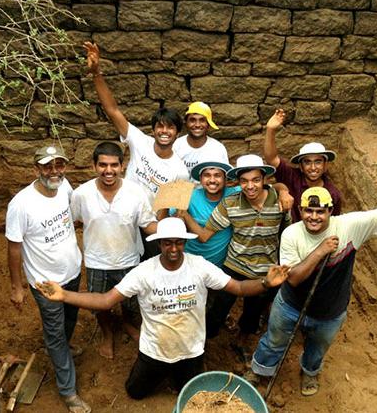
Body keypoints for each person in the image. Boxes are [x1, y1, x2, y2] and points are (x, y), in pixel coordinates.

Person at [36, 218, 290, 400]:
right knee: (134, 393)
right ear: (159, 244)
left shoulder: (199, 266)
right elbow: (105, 301)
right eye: (167, 243)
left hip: (191, 350)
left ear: (184, 243)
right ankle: (159, 373)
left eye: (178, 243)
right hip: (154, 350)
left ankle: (177, 377)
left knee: (187, 393)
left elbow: (239, 288)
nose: (173, 249)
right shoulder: (144, 272)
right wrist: (64, 295)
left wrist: (266, 283)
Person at [248, 155, 377, 396]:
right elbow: (293, 279)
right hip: (291, 304)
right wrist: (320, 250)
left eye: (319, 212)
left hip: (330, 310)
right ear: (300, 210)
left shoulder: (349, 225)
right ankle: (261, 369)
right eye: (307, 211)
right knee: (274, 340)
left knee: (317, 348)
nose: (313, 217)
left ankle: (310, 372)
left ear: (330, 211)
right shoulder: (292, 234)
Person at [181, 154, 292, 362]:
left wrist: (283, 190)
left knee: (252, 313)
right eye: (244, 181)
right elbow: (205, 235)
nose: (250, 186)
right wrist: (184, 214)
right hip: (233, 265)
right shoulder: (229, 202)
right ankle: (202, 344)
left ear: (265, 179)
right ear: (237, 182)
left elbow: (287, 233)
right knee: (217, 311)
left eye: (256, 180)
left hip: (265, 270)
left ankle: (240, 341)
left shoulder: (280, 202)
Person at [84, 41, 189, 259]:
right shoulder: (139, 141)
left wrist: (160, 232)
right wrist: (96, 73)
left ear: (177, 133)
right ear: (153, 129)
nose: (164, 131)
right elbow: (112, 110)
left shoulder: (180, 171)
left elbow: (173, 209)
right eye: (160, 126)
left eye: (170, 127)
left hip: (148, 225)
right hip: (121, 215)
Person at [5, 145, 90, 413]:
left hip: (73, 271)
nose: (54, 171)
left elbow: (74, 218)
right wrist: (16, 287)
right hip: (45, 283)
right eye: (47, 166)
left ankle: (61, 349)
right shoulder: (21, 204)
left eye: (59, 165)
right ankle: (68, 391)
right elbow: (14, 248)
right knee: (54, 333)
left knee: (70, 319)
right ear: (36, 169)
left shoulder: (64, 187)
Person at [70, 141, 157, 360]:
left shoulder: (137, 193)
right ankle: (107, 333)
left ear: (122, 166)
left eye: (114, 165)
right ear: (94, 166)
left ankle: (128, 324)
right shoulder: (81, 194)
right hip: (96, 260)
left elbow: (148, 225)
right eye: (103, 165)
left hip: (129, 259)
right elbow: (76, 222)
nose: (108, 171)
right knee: (100, 305)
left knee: (130, 300)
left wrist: (174, 226)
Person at [263, 108, 342, 222]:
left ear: (325, 165)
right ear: (300, 166)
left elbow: (333, 224)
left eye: (318, 162)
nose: (313, 167)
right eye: (307, 162)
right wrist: (270, 129)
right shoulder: (291, 177)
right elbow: (272, 158)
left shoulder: (333, 194)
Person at [173, 102, 229, 179]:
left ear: (208, 124)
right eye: (192, 120)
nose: (197, 125)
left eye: (202, 120)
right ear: (186, 123)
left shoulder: (218, 149)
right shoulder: (176, 146)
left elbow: (223, 178)